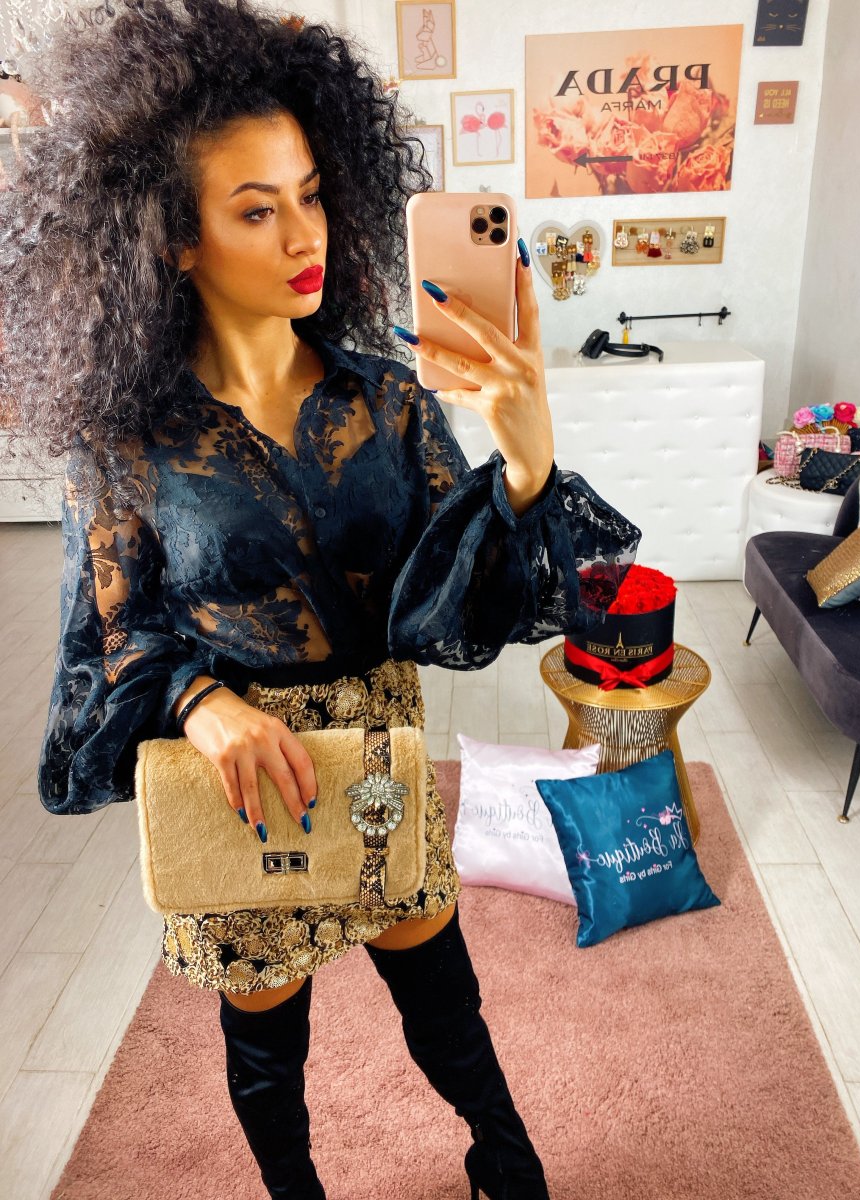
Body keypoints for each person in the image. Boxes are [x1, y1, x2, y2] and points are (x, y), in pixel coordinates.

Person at [0, 1, 642, 1197]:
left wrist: (525, 463)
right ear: (173, 240)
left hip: (379, 754)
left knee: (444, 996)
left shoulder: (388, 400)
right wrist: (196, 703)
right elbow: (116, 632)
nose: (306, 234)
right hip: (242, 784)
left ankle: (509, 1164)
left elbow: (454, 612)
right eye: (256, 209)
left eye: (310, 193)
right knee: (267, 1048)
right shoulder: (125, 442)